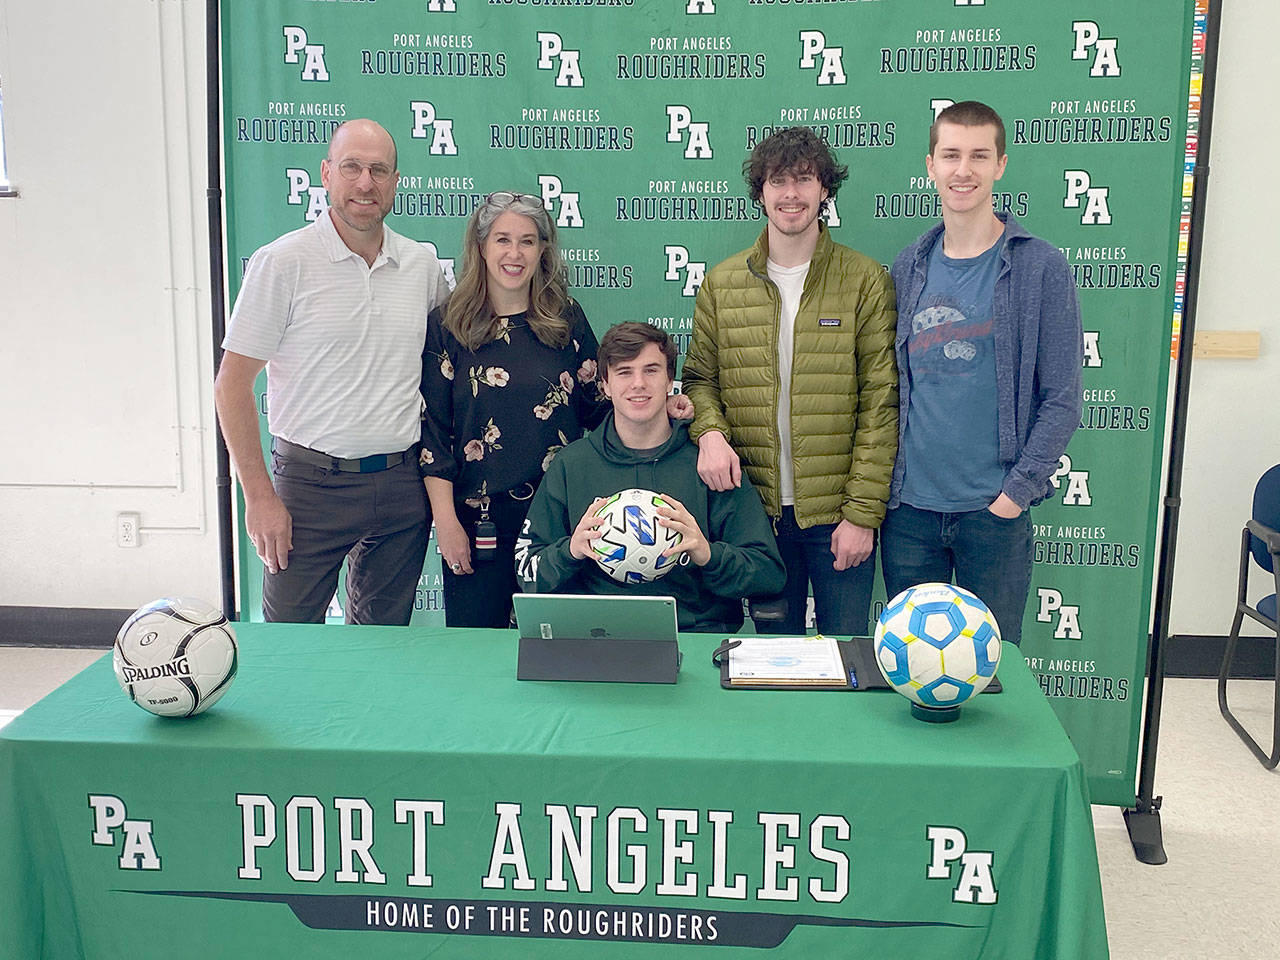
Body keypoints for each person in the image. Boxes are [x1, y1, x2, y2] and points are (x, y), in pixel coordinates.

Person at [422, 193, 696, 628]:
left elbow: (601, 406)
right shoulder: (447, 325)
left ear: (543, 251)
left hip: (561, 517)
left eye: (528, 241)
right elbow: (434, 435)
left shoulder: (564, 319)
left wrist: (664, 407)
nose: (515, 254)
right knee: (476, 652)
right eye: (503, 240)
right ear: (480, 247)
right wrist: (447, 524)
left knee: (559, 647)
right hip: (479, 521)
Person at [215, 118, 448, 624]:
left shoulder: (422, 267)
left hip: (400, 488)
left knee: (381, 654)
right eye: (352, 167)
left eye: (379, 170)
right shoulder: (282, 263)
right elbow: (231, 386)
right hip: (306, 490)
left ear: (396, 181)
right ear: (326, 174)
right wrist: (259, 498)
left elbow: (449, 371)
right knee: (289, 650)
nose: (366, 182)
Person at [681, 126, 898, 638]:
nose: (791, 194)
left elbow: (881, 402)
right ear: (761, 192)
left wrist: (863, 514)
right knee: (770, 667)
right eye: (778, 181)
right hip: (753, 514)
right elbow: (699, 380)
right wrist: (709, 434)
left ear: (825, 190)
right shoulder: (722, 282)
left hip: (837, 517)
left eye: (805, 179)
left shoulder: (865, 279)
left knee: (847, 662)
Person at [880, 101, 1083, 645]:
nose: (962, 170)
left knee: (994, 672)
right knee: (913, 670)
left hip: (992, 516)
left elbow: (1062, 399)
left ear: (1001, 164)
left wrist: (1014, 496)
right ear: (930, 166)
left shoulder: (1040, 267)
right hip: (909, 514)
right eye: (950, 155)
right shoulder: (909, 266)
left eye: (977, 155)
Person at [516, 322, 785, 633]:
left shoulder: (709, 463)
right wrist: (570, 551)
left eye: (651, 370)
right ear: (605, 384)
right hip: (596, 641)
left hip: (695, 638)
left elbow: (768, 572)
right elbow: (526, 571)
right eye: (624, 372)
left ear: (671, 380)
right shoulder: (572, 465)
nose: (638, 384)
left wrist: (708, 554)